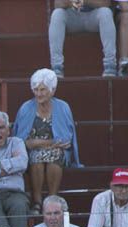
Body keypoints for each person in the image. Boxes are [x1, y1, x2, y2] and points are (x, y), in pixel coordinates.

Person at [13, 68, 80, 215]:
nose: (38, 93)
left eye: (42, 89)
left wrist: (41, 142)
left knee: (55, 154)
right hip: (31, 151)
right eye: (36, 89)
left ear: (52, 90)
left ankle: (52, 199)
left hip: (57, 150)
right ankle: (37, 202)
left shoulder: (63, 107)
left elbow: (65, 140)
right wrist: (48, 143)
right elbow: (21, 141)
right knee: (37, 156)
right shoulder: (26, 108)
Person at [49, 0, 117, 78]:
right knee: (57, 13)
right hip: (73, 17)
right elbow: (57, 4)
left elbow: (106, 3)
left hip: (94, 16)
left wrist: (84, 1)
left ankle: (110, 64)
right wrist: (72, 2)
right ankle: (56, 66)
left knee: (106, 12)